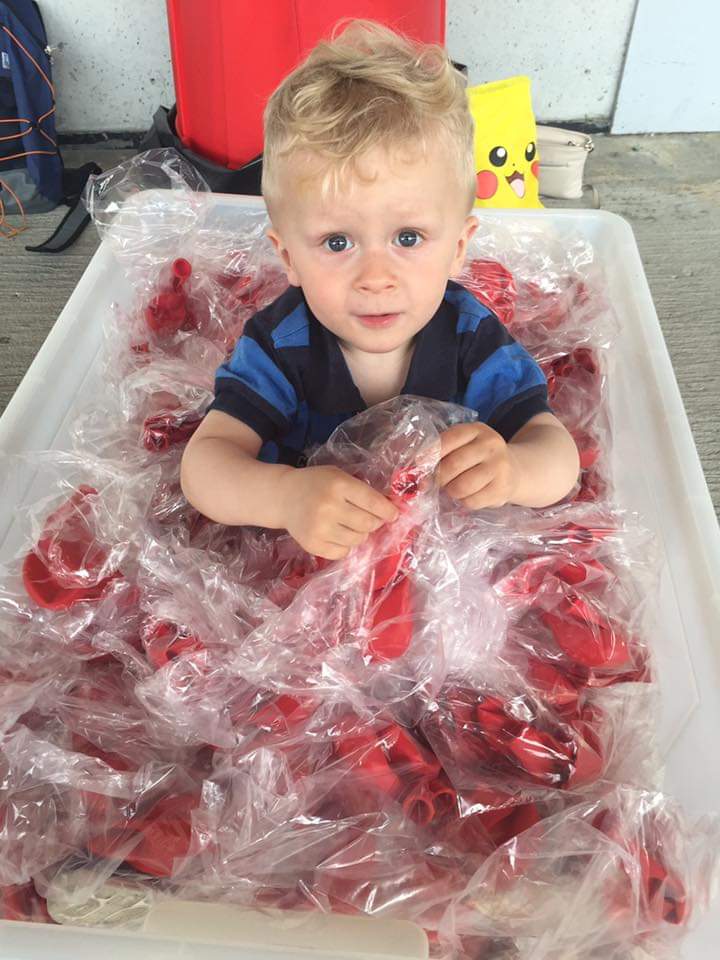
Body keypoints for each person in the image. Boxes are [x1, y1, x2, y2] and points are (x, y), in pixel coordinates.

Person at [180, 19, 579, 560]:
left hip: (440, 566)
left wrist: (512, 471)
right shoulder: (280, 344)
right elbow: (205, 465)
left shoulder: (471, 334)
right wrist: (284, 496)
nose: (375, 277)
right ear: (288, 257)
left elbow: (557, 454)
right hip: (302, 567)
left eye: (408, 237)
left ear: (459, 247)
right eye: (338, 242)